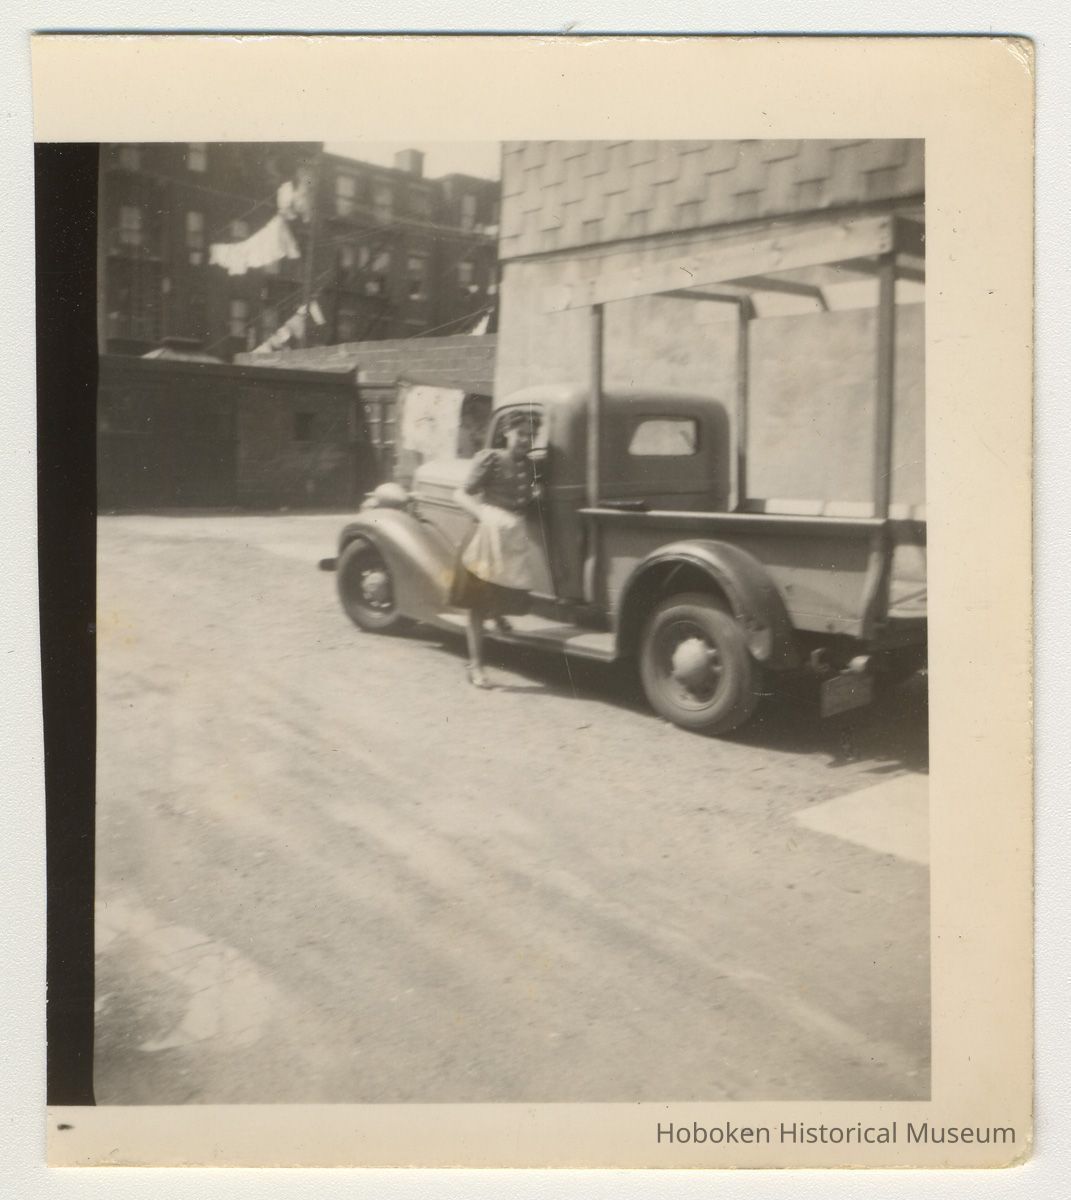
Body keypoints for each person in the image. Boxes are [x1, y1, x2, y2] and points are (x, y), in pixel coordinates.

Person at [450, 408, 542, 688]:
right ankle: (476, 666)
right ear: (506, 433)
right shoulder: (491, 458)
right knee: (477, 604)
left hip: (511, 537)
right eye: (520, 434)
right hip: (486, 537)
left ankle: (498, 617)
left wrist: (536, 496)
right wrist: (481, 515)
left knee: (504, 589)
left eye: (530, 435)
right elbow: (460, 493)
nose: (525, 440)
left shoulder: (531, 466)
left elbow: (526, 496)